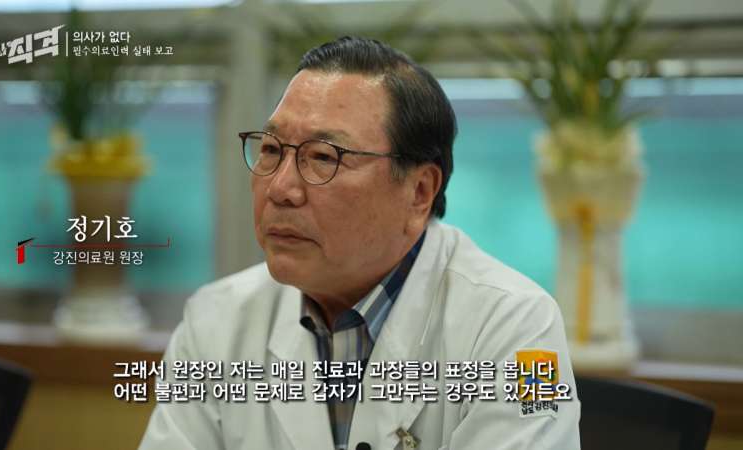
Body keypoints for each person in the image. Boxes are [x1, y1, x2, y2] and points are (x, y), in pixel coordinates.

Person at [139, 36, 580, 450]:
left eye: (323, 157)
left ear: (419, 192)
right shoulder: (216, 321)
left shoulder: (517, 329)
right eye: (271, 150)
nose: (280, 188)